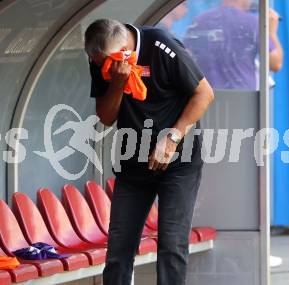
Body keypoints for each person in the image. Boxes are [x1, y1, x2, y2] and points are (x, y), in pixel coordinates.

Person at [84, 19, 214, 285]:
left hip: (178, 160)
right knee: (119, 248)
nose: (101, 69)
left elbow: (204, 93)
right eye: (98, 64)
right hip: (133, 162)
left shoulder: (161, 45)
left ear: (122, 52)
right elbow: (107, 117)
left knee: (171, 245)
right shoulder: (102, 60)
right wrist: (118, 82)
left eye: (105, 63)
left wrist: (172, 138)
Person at [183, 0, 283, 90]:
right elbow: (275, 63)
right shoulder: (252, 23)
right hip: (243, 101)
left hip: (205, 99)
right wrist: (271, 32)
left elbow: (185, 59)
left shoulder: (200, 21)